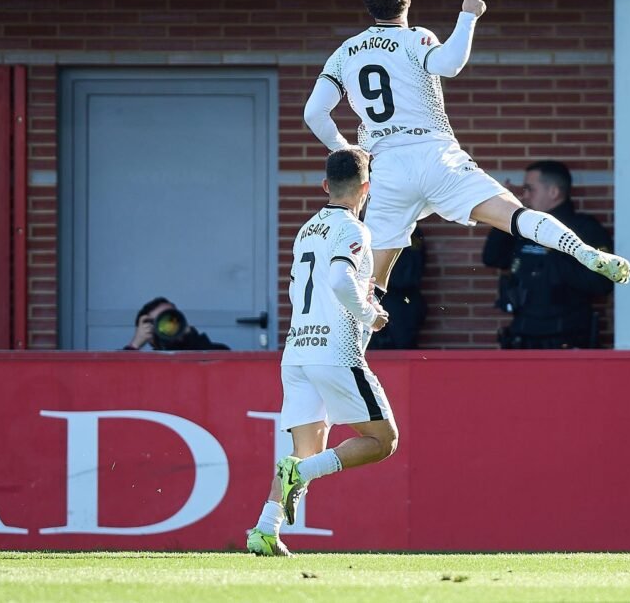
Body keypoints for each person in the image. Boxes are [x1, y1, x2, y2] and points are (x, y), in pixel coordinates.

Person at [302, 0, 630, 310]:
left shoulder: (345, 52)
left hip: (386, 167)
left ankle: (352, 348)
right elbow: (449, 64)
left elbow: (313, 114)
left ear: (368, 5)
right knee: (515, 216)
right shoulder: (415, 37)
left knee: (370, 286)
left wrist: (348, 150)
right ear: (407, 1)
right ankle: (580, 249)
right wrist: (468, 17)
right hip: (435, 154)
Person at [247, 148, 395, 558]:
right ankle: (303, 473)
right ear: (367, 188)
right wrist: (369, 315)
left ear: (325, 186)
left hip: (297, 351)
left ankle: (265, 529)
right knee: (382, 440)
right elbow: (339, 278)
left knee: (305, 446)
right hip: (335, 351)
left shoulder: (307, 229)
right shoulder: (354, 229)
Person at [483, 161, 613, 349]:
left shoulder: (585, 229)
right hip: (523, 337)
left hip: (566, 338)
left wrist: (557, 252)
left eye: (530, 189)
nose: (524, 196)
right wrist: (507, 213)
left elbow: (602, 283)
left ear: (553, 192)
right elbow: (492, 257)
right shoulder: (524, 226)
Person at [367, 226, 427, 349]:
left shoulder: (408, 229)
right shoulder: (360, 228)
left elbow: (408, 274)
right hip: (369, 297)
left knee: (403, 347)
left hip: (402, 299)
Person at [123, 297, 229, 351]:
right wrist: (134, 345)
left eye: (171, 318)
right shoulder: (148, 365)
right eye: (161, 321)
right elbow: (116, 381)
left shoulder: (219, 351)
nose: (169, 325)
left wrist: (191, 337)